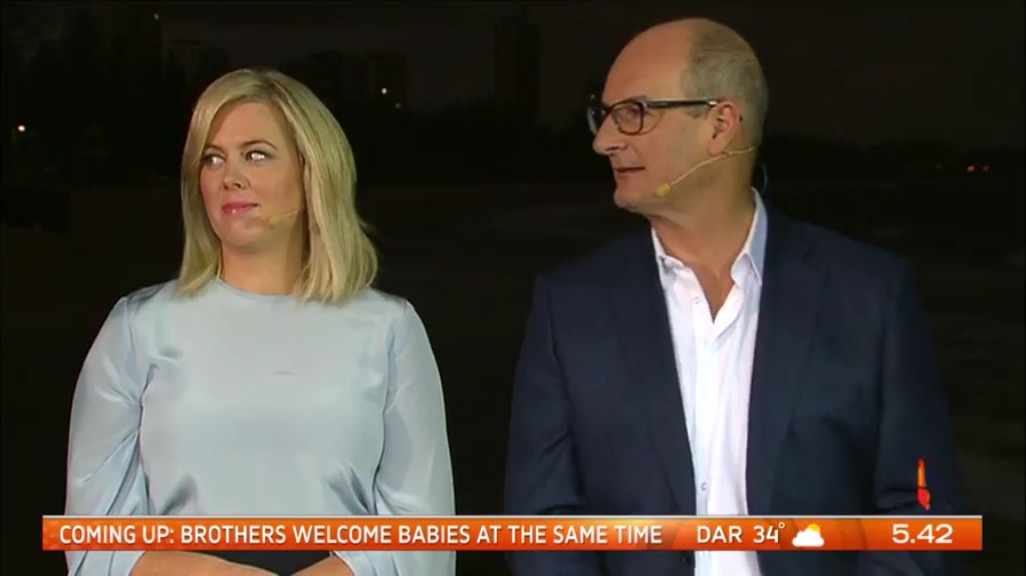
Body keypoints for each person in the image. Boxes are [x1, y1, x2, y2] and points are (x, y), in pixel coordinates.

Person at [505, 17, 966, 576]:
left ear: (720, 125)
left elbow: (921, 515)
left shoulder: (871, 297)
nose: (604, 140)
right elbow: (544, 526)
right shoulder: (570, 308)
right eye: (602, 115)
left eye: (634, 112)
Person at [65, 68, 456, 576]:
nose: (230, 176)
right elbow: (94, 542)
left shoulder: (388, 330)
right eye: (213, 158)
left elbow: (423, 536)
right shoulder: (138, 329)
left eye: (256, 154)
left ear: (312, 172)